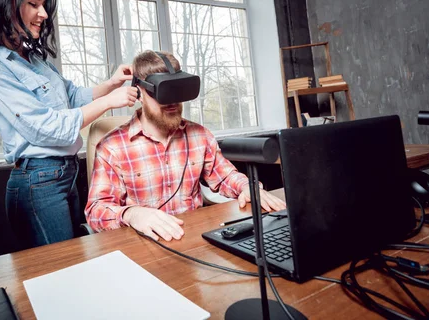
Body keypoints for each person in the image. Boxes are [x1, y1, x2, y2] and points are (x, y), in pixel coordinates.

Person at [0, 0, 138, 248]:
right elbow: (47, 128)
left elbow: (69, 97)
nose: (43, 14)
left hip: (64, 174)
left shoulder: (32, 59)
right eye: (33, 4)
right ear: (4, 4)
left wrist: (111, 84)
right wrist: (109, 103)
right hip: (39, 183)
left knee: (76, 261)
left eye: (43, 5)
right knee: (64, 269)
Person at [85, 50, 286, 242]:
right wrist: (132, 214)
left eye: (177, 91)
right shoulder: (113, 147)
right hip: (143, 244)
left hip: (193, 238)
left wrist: (246, 187)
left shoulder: (199, 135)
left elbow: (224, 175)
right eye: (164, 92)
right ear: (139, 92)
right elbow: (96, 211)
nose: (173, 102)